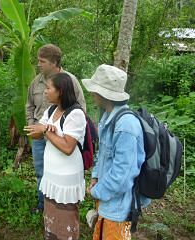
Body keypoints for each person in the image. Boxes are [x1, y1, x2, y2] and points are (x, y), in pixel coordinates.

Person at [82, 64, 150, 239]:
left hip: (119, 207)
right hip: (107, 198)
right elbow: (103, 154)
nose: (92, 94)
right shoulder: (108, 117)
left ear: (104, 94)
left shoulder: (125, 125)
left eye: (95, 90)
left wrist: (97, 191)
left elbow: (123, 175)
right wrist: (96, 176)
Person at [24, 72, 86, 239]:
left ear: (60, 91)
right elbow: (36, 133)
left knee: (65, 218)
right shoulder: (51, 110)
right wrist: (37, 130)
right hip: (51, 174)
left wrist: (46, 131)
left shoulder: (76, 114)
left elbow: (68, 147)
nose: (45, 91)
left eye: (49, 88)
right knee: (51, 215)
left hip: (66, 177)